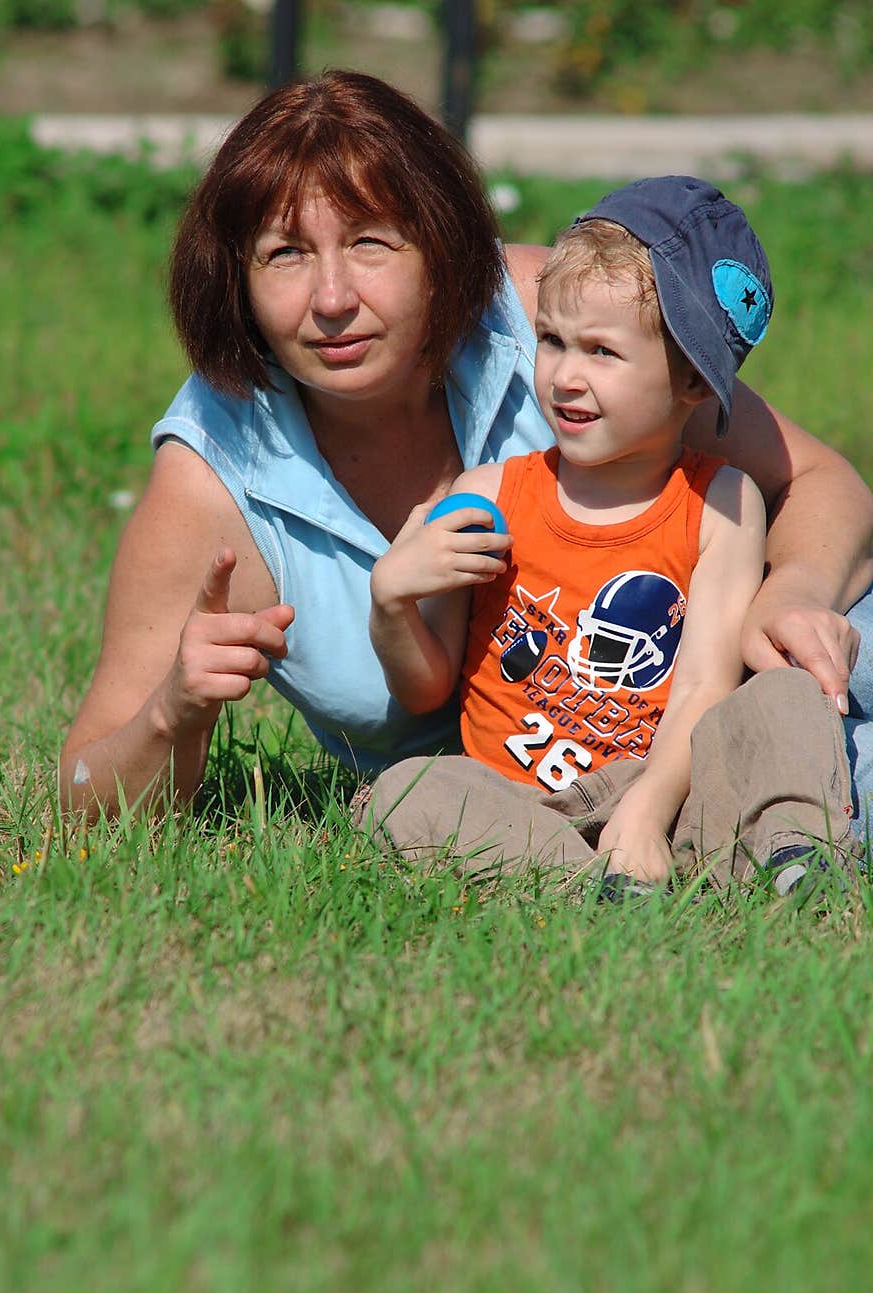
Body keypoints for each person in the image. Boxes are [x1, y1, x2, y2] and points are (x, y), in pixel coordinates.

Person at [58, 70, 873, 829]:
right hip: (506, 802)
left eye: (372, 243)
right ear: (235, 279)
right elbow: (80, 791)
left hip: (739, 692)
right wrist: (175, 710)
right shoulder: (212, 473)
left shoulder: (544, 318)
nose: (333, 299)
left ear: (440, 247)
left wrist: (791, 591)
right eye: (285, 253)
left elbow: (820, 480)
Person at [359, 177, 859, 892]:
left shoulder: (721, 503)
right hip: (520, 803)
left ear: (691, 380)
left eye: (601, 351)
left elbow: (703, 687)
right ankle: (592, 885)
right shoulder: (490, 494)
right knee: (406, 790)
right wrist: (392, 604)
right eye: (553, 341)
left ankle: (793, 853)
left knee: (786, 693)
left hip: (673, 790)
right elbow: (424, 689)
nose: (565, 375)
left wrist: (648, 810)